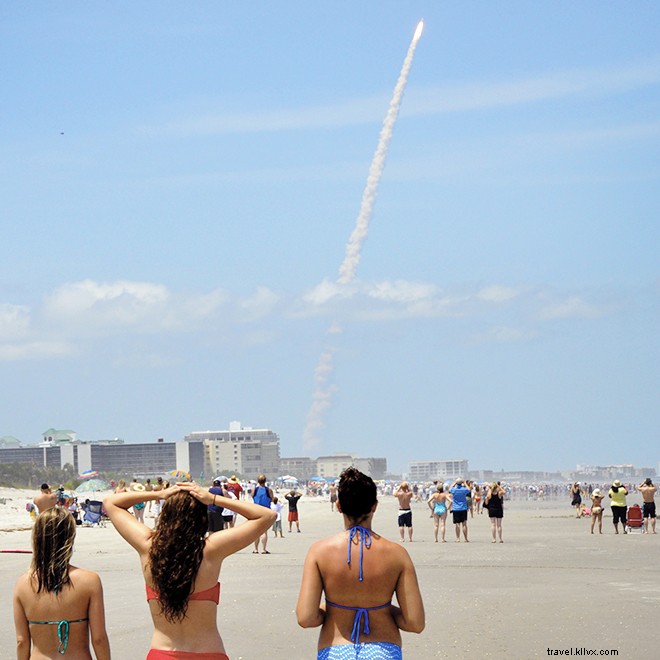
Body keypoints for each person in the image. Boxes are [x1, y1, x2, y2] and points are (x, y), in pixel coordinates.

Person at [103, 481, 275, 659]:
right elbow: (266, 516)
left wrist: (159, 494)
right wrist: (214, 499)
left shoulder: (148, 546)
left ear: (165, 515)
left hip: (163, 653)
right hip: (208, 653)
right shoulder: (210, 550)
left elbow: (110, 502)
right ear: (202, 518)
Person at [296, 467, 425, 660]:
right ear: (374, 506)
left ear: (339, 506)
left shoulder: (319, 551)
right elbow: (415, 623)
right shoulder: (398, 554)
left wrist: (332, 609)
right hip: (384, 650)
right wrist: (382, 608)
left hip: (335, 649)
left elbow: (306, 618)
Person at [13, 507, 111, 659]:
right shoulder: (90, 581)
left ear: (37, 539)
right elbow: (98, 639)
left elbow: (22, 641)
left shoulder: (22, 584)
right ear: (70, 537)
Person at [252, 474, 273, 554]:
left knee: (256, 531)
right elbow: (271, 499)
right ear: (265, 481)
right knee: (264, 531)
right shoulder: (268, 490)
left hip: (256, 511)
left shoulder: (255, 489)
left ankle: (256, 549)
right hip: (266, 511)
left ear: (258, 481)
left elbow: (252, 497)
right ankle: (263, 549)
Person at [449, 478, 470, 543]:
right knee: (464, 524)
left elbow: (449, 488)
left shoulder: (454, 490)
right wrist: (465, 483)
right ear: (461, 483)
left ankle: (458, 538)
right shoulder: (464, 489)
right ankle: (465, 538)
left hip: (456, 508)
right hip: (463, 508)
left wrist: (455, 482)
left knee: (457, 524)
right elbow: (469, 489)